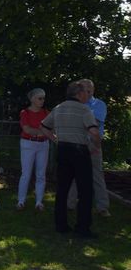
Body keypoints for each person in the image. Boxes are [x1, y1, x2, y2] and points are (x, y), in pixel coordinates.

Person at [39, 81, 101, 238]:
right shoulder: (84, 109)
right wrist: (96, 145)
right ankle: (82, 228)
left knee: (62, 189)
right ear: (79, 94)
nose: (88, 95)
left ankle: (61, 225)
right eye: (85, 92)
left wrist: (55, 139)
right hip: (80, 152)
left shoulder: (58, 108)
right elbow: (94, 132)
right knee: (85, 191)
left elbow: (44, 127)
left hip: (63, 150)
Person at [67, 79, 110, 217]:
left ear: (92, 90)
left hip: (93, 143)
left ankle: (102, 207)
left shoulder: (99, 104)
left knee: (97, 176)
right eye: (82, 88)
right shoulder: (74, 104)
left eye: (87, 88)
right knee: (74, 173)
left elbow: (94, 123)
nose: (85, 91)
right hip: (76, 142)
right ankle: (69, 204)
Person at [17, 88, 49, 211]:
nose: (42, 100)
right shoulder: (25, 112)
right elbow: (27, 129)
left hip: (43, 144)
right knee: (26, 174)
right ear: (32, 99)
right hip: (28, 144)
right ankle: (21, 201)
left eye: (43, 98)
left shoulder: (46, 112)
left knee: (41, 174)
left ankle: (39, 202)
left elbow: (51, 128)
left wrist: (41, 133)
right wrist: (43, 132)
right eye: (40, 98)